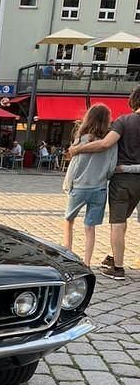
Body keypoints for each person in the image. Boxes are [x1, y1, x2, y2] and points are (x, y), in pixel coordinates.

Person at [69, 85, 140, 280]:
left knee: (117, 222)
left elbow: (105, 144)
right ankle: (113, 256)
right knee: (123, 219)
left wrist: (78, 150)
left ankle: (117, 268)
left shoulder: (124, 121)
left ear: (134, 100)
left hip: (123, 181)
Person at [63, 104, 117, 267]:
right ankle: (86, 262)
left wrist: (68, 185)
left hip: (79, 186)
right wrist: (103, 176)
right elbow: (111, 167)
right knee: (90, 226)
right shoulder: (111, 142)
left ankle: (68, 254)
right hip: (99, 187)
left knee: (69, 220)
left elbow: (74, 166)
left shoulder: (82, 140)